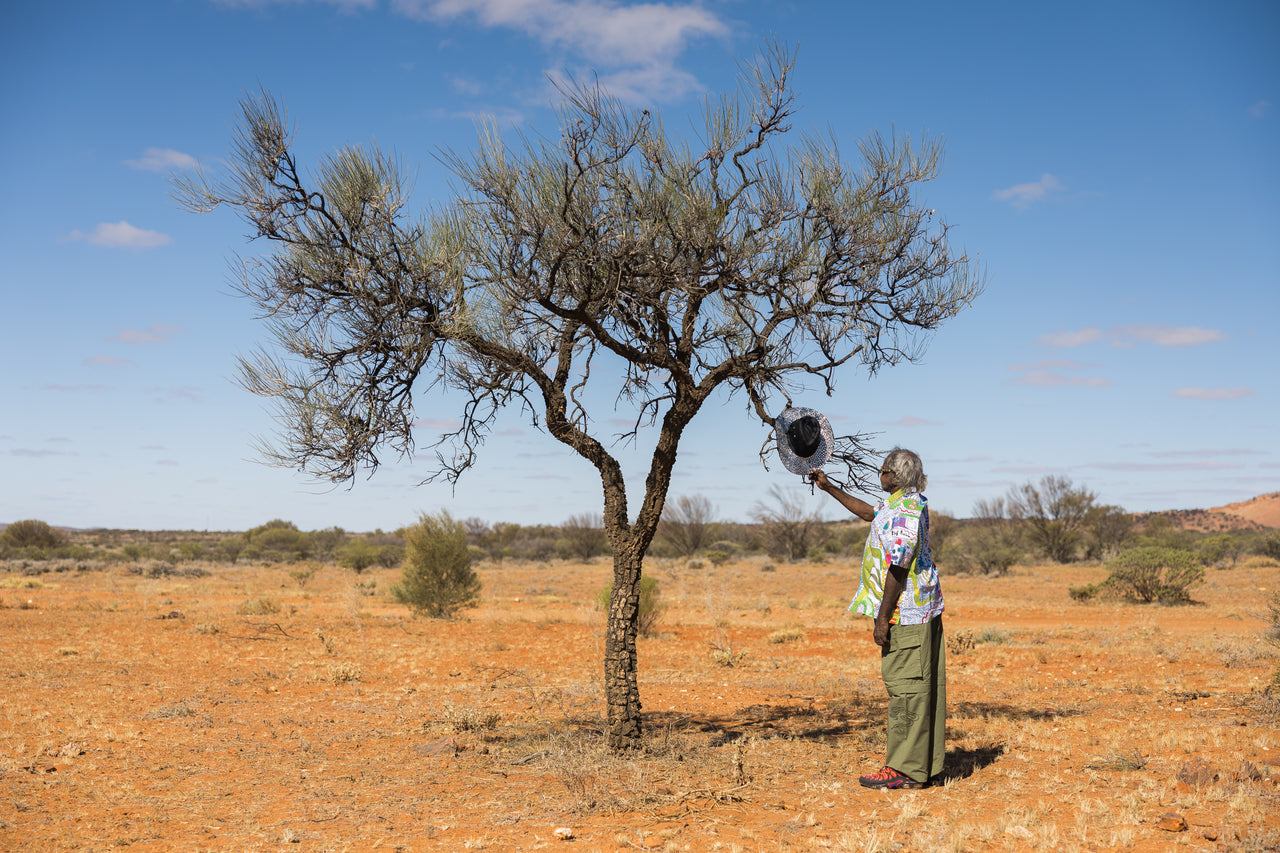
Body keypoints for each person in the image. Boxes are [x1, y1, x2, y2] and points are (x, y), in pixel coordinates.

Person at [810, 448, 946, 790]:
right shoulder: (900, 504)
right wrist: (828, 487)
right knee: (920, 688)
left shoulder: (905, 513)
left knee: (906, 690)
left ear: (895, 476)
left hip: (906, 614)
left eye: (883, 470)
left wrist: (882, 618)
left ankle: (905, 770)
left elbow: (898, 568)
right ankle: (923, 765)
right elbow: (869, 511)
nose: (879, 475)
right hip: (918, 609)